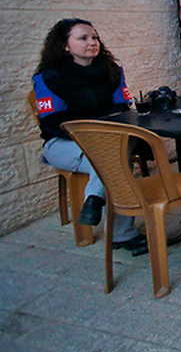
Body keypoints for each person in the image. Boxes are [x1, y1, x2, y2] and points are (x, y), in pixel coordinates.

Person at [32, 18, 147, 256]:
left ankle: (94, 198)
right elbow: (53, 122)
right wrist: (94, 138)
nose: (92, 42)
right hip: (63, 145)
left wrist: (105, 136)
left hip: (108, 141)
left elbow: (122, 108)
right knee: (112, 160)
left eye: (94, 37)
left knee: (112, 157)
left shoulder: (112, 70)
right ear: (65, 45)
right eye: (83, 38)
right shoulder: (48, 77)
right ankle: (123, 234)